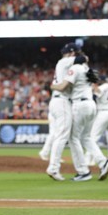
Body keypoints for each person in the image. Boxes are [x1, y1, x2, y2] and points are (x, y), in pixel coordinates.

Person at [51, 54, 108, 181]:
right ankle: (103, 162)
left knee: (73, 138)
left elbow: (63, 87)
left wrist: (53, 86)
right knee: (86, 137)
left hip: (80, 105)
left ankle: (83, 172)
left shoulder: (75, 68)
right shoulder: (87, 69)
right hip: (91, 104)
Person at [45, 43, 80, 181]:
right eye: (75, 52)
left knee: (61, 135)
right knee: (61, 136)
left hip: (58, 101)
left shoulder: (63, 64)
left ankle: (54, 167)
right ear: (72, 53)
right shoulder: (65, 61)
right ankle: (53, 168)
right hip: (62, 101)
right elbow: (84, 59)